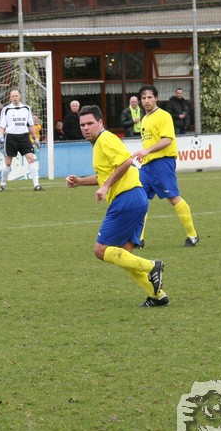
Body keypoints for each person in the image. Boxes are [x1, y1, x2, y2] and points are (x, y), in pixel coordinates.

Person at [66, 105, 168, 308]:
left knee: (101, 250)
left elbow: (126, 162)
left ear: (100, 123)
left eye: (90, 123)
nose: (86, 128)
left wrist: (105, 186)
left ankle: (152, 266)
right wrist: (80, 182)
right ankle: (158, 296)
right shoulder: (98, 144)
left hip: (126, 199)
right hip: (135, 198)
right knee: (124, 255)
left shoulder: (106, 139)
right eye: (82, 124)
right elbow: (104, 175)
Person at [134, 85, 199, 247]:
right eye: (143, 98)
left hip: (162, 163)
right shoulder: (145, 119)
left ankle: (192, 235)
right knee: (139, 200)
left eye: (150, 97)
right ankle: (138, 239)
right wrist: (144, 154)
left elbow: (167, 140)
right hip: (147, 167)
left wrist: (147, 150)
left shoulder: (163, 116)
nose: (146, 101)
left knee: (173, 198)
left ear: (156, 98)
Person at [0, 88, 43, 192]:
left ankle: (37, 184)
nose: (15, 98)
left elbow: (30, 124)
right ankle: (3, 184)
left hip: (24, 137)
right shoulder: (6, 109)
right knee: (8, 162)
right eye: (12, 96)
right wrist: (1, 135)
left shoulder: (26, 108)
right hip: (11, 137)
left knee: (31, 159)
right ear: (10, 98)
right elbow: (2, 124)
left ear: (19, 96)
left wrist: (35, 138)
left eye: (16, 96)